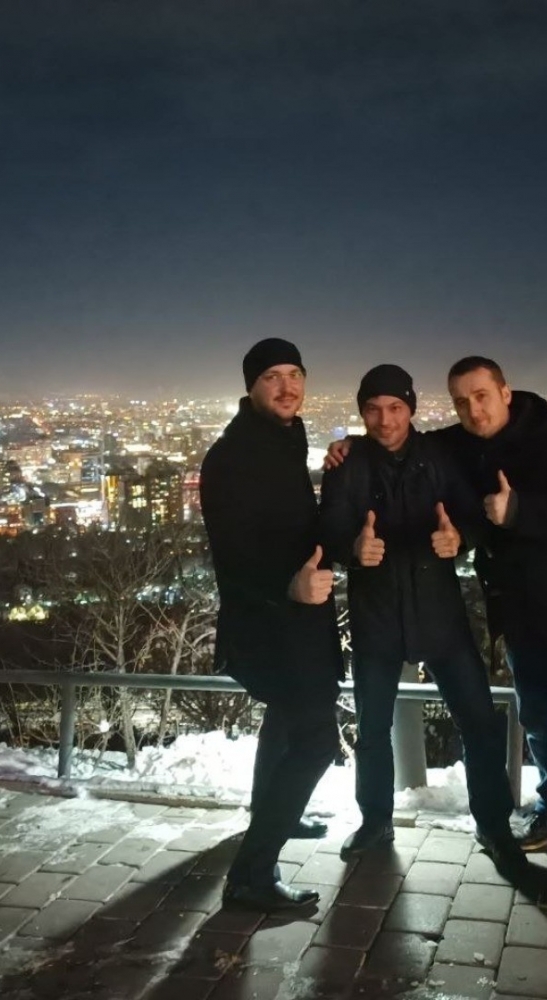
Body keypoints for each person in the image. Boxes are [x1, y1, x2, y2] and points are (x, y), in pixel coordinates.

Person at [320, 364, 526, 877]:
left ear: (411, 408)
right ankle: (375, 821)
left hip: (439, 613)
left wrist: (459, 538)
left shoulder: (439, 455)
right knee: (372, 728)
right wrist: (353, 548)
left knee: (479, 721)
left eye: (395, 407)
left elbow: (473, 516)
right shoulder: (347, 464)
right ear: (360, 412)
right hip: (377, 616)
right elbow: (329, 529)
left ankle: (495, 827)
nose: (385, 420)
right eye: (372, 409)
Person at [441, 356, 547, 910]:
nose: (474, 410)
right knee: (538, 726)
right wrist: (352, 445)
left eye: (482, 396)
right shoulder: (464, 444)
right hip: (523, 620)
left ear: (506, 393)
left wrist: (517, 509)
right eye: (462, 401)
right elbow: (411, 444)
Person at [200, 337, 343, 912]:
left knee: (286, 722)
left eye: (295, 374)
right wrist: (288, 587)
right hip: (272, 623)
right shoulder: (232, 457)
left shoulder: (285, 438)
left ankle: (275, 816)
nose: (287, 387)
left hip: (298, 619)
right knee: (317, 741)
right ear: (251, 386)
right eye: (272, 377)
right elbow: (232, 556)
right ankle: (252, 875)